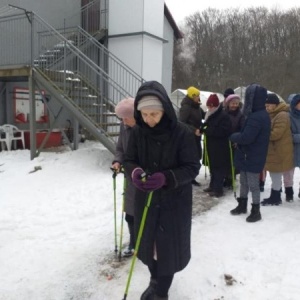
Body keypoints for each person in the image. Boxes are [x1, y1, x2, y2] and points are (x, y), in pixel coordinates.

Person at [123, 81, 200, 300]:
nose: (149, 120)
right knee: (149, 248)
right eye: (145, 115)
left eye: (154, 114)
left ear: (165, 109)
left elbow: (192, 167)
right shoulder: (138, 132)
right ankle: (154, 280)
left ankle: (162, 292)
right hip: (146, 200)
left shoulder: (182, 133)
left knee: (167, 251)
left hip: (173, 204)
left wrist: (167, 177)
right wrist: (135, 172)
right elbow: (129, 160)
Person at [229, 84, 270, 222]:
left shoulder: (257, 117)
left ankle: (256, 210)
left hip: (252, 155)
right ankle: (242, 205)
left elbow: (247, 137)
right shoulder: (257, 114)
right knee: (244, 182)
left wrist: (233, 136)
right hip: (248, 154)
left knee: (253, 184)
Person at [111, 97, 136, 257]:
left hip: (144, 178)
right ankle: (134, 242)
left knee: (144, 214)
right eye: (122, 118)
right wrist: (117, 161)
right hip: (129, 177)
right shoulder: (124, 126)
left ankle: (146, 242)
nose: (124, 121)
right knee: (130, 214)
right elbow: (120, 148)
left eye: (126, 118)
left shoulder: (145, 130)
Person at [261, 93, 293, 206]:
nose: (267, 108)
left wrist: (262, 134)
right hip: (275, 150)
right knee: (275, 174)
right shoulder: (273, 114)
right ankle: (275, 195)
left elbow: (276, 134)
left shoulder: (282, 115)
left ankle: (275, 197)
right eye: (266, 106)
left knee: (276, 173)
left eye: (269, 105)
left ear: (275, 105)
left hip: (279, 151)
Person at [201, 94, 231, 198]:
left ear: (216, 105)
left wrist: (207, 131)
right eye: (208, 106)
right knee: (212, 167)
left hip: (220, 146)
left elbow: (223, 131)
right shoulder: (210, 114)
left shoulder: (223, 116)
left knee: (219, 168)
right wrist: (202, 129)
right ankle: (212, 185)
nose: (209, 108)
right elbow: (206, 125)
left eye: (211, 106)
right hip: (211, 145)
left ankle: (218, 189)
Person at [179, 86, 205, 186]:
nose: (199, 97)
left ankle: (192, 177)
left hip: (197, 136)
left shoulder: (196, 106)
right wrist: (194, 130)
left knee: (197, 155)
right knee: (192, 157)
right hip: (189, 136)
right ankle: (189, 178)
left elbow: (203, 115)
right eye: (197, 96)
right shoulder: (186, 107)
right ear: (192, 96)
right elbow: (181, 122)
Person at [223, 94, 245, 189]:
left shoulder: (240, 115)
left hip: (235, 140)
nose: (234, 105)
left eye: (236, 103)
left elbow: (242, 128)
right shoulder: (224, 113)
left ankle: (232, 178)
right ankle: (226, 177)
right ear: (228, 104)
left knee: (233, 160)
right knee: (225, 159)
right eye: (232, 103)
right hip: (224, 139)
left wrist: (238, 139)